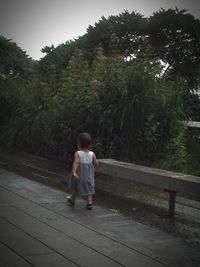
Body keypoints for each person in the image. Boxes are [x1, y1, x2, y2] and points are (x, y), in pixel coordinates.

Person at [67, 132, 99, 210]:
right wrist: (96, 168)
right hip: (88, 176)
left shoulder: (78, 153)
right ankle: (89, 202)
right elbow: (96, 163)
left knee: (75, 187)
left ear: (79, 144)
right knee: (89, 189)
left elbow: (76, 163)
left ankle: (72, 199)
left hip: (79, 175)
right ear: (89, 145)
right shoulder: (92, 154)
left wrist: (74, 172)